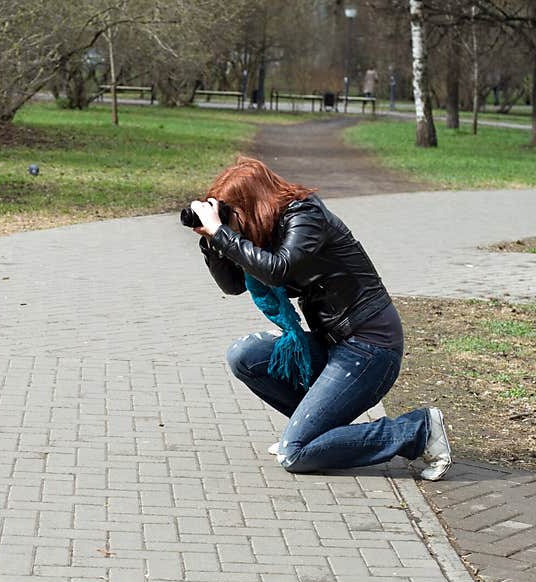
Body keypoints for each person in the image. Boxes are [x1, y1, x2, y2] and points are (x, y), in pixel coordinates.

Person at [188, 156, 452, 480]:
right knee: (243, 355)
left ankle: (418, 429)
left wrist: (223, 234)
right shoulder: (264, 231)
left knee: (294, 454)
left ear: (253, 203)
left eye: (231, 215)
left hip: (370, 350)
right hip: (332, 344)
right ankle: (315, 432)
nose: (229, 224)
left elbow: (278, 269)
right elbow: (232, 286)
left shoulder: (305, 215)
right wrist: (211, 242)